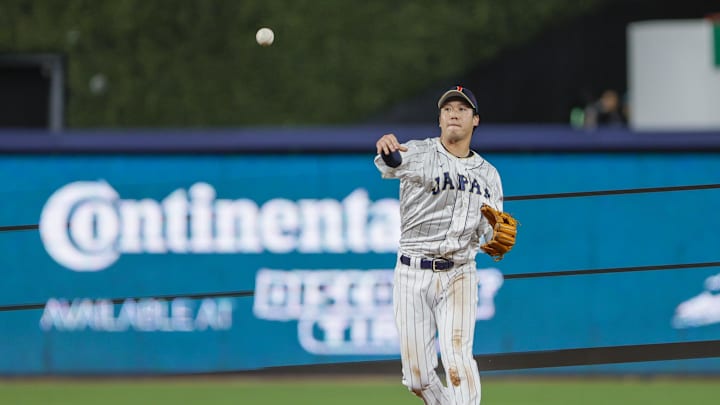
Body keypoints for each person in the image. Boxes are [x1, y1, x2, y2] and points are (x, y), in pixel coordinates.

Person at [374, 85, 511, 405]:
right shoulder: (419, 153)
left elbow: (493, 235)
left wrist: (497, 239)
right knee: (418, 378)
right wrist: (387, 148)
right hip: (412, 271)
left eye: (462, 109)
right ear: (439, 119)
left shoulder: (489, 174)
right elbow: (391, 161)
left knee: (458, 362)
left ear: (475, 120)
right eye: (448, 108)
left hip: (459, 272)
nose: (454, 113)